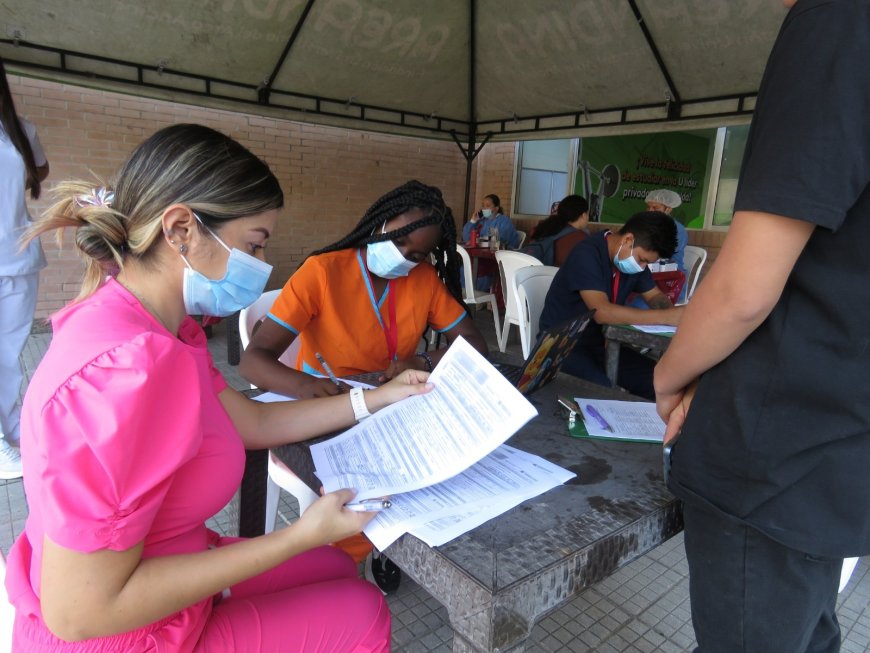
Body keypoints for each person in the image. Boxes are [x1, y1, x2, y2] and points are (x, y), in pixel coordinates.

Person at [5, 123, 435, 652]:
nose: (260, 266)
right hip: (126, 633)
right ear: (181, 228)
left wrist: (376, 399)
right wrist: (296, 535)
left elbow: (252, 422)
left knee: (328, 564)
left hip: (165, 568)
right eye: (254, 244)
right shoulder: (125, 373)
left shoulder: (160, 327)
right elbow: (79, 613)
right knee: (364, 612)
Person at [654, 2, 869, 651]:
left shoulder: (840, 17)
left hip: (774, 445)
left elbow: (744, 289)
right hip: (840, 445)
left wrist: (669, 375)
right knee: (809, 632)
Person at [240, 180, 488, 400]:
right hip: (329, 395)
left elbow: (475, 343)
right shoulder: (322, 272)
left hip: (390, 395)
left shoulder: (424, 279)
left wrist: (422, 361)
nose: (402, 256)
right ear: (379, 223)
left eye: (416, 255)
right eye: (397, 240)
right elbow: (253, 361)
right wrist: (307, 386)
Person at [539, 211, 682, 399]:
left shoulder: (634, 262)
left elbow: (655, 297)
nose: (642, 267)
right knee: (604, 394)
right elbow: (602, 312)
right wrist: (666, 317)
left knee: (662, 382)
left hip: (603, 344)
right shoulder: (587, 253)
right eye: (642, 260)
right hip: (562, 345)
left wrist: (675, 313)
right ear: (628, 239)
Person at [0, 56, 50, 480]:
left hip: (16, 250)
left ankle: (12, 427)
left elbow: (40, 169)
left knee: (9, 351)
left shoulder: (19, 129)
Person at [627, 188, 689, 307]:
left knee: (640, 305)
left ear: (668, 209)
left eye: (655, 208)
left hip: (669, 280)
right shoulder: (646, 226)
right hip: (647, 274)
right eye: (648, 207)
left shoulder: (677, 230)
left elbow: (662, 255)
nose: (650, 211)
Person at [522, 194, 590, 266]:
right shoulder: (580, 238)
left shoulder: (546, 227)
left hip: (530, 273)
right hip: (552, 275)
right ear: (583, 215)